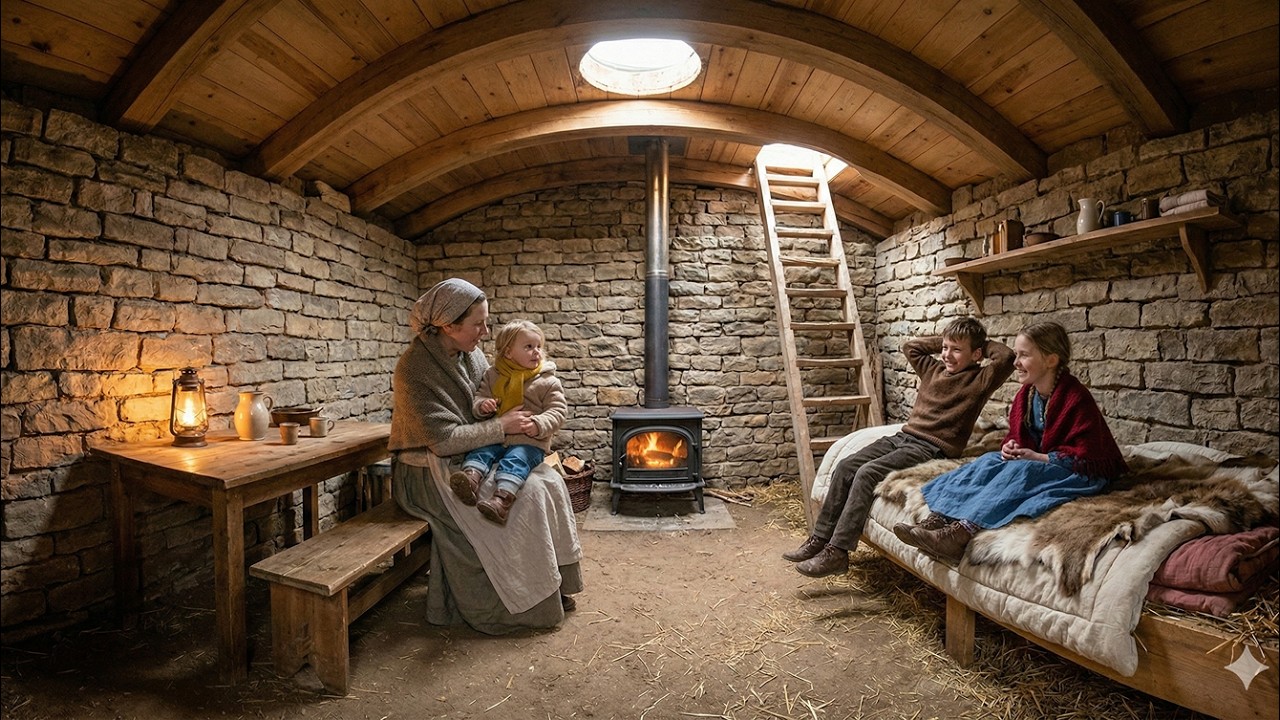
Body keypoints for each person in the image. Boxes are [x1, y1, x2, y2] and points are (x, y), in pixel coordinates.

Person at [390, 278, 582, 632]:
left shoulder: (471, 354)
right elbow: (442, 441)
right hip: (426, 470)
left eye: (487, 322)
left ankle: (550, 589)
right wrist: (501, 425)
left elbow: (485, 403)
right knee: (526, 500)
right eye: (478, 324)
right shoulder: (414, 370)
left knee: (549, 482)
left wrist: (513, 423)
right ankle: (521, 606)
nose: (486, 332)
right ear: (449, 325)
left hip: (476, 452)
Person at [785, 317, 1015, 578]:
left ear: (976, 355)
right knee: (846, 466)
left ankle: (837, 551)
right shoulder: (933, 369)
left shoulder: (980, 379)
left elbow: (1006, 357)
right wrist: (950, 341)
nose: (947, 355)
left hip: (931, 447)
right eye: (945, 348)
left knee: (867, 473)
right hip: (903, 436)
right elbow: (911, 347)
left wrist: (979, 345)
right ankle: (819, 538)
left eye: (956, 350)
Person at [894, 321, 1127, 565]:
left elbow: (1088, 457)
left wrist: (1038, 457)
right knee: (988, 461)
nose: (1016, 362)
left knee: (1021, 471)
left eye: (1024, 355)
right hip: (1039, 460)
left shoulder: (1075, 397)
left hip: (1077, 472)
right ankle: (939, 519)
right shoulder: (1027, 394)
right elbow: (1020, 436)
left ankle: (960, 534)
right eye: (1016, 355)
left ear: (1051, 360)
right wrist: (1011, 446)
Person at [449, 320, 568, 526]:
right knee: (481, 450)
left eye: (539, 346)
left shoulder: (547, 381)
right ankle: (470, 479)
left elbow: (558, 411)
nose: (536, 352)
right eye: (528, 347)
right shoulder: (493, 375)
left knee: (516, 459)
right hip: (498, 436)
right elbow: (479, 396)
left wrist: (538, 423)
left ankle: (502, 500)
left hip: (529, 442)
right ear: (508, 352)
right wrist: (483, 405)